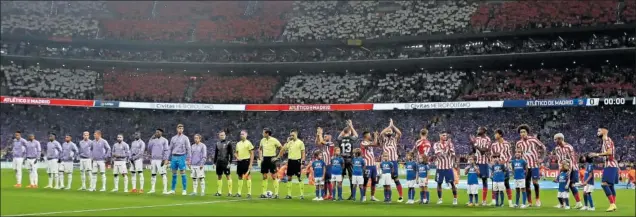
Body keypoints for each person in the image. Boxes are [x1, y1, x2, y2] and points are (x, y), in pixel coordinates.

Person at [515, 124, 546, 207]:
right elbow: (518, 154)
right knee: (526, 184)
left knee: (535, 182)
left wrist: (542, 158)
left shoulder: (533, 139)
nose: (522, 133)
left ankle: (537, 199)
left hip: (534, 165)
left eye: (524, 132)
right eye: (521, 132)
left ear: (527, 132)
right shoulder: (518, 143)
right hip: (525, 167)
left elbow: (543, 147)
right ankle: (529, 202)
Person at [589, 126, 618, 212]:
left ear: (605, 131)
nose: (597, 132)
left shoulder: (607, 140)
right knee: (611, 186)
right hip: (611, 165)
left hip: (610, 164)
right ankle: (613, 205)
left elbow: (609, 152)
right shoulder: (605, 141)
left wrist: (596, 154)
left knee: (604, 184)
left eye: (599, 130)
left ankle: (612, 204)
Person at [553, 133, 582, 208]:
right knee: (562, 185)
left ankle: (578, 203)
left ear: (561, 139)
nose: (555, 141)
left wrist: (570, 170)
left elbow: (572, 160)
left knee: (572, 185)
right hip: (563, 170)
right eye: (555, 139)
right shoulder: (557, 149)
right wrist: (559, 173)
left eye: (556, 139)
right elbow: (559, 161)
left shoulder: (569, 147)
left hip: (573, 168)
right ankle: (562, 204)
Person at [380, 118, 403, 202]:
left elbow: (399, 133)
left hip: (393, 161)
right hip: (385, 162)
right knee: (385, 181)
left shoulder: (394, 139)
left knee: (396, 179)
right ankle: (387, 197)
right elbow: (381, 133)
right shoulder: (384, 140)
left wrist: (392, 126)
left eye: (390, 131)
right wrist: (389, 126)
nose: (389, 132)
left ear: (392, 132)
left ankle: (401, 196)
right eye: (387, 131)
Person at [278, 129, 306, 199]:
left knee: (299, 178)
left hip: (297, 161)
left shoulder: (300, 142)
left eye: (293, 135)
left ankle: (302, 195)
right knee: (289, 177)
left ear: (296, 134)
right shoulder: (289, 143)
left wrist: (303, 162)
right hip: (290, 161)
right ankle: (289, 194)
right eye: (290, 135)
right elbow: (283, 149)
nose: (291, 136)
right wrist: (286, 142)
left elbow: (303, 152)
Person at [470, 126, 492, 206]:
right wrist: (472, 143)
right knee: (472, 180)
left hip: (484, 163)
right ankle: (472, 201)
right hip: (476, 162)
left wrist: (475, 143)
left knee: (484, 181)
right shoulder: (477, 138)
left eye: (479, 129)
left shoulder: (488, 139)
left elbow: (483, 151)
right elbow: (474, 150)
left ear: (484, 131)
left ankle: (484, 200)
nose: (478, 130)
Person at [434, 132, 458, 205]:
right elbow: (439, 154)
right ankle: (440, 199)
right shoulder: (436, 144)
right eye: (443, 135)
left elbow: (453, 154)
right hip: (440, 167)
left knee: (452, 183)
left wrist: (449, 149)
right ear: (439, 135)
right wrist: (446, 147)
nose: (445, 136)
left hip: (448, 167)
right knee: (439, 183)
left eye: (446, 135)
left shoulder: (450, 144)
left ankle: (455, 199)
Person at [491, 129, 513, 207]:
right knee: (495, 184)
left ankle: (510, 202)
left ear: (500, 135)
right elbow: (492, 155)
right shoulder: (494, 145)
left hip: (504, 167)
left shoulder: (507, 144)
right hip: (496, 167)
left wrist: (505, 161)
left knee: (506, 184)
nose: (494, 135)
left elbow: (510, 155)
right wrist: (492, 163)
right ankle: (494, 201)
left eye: (495, 134)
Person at [337, 120, 358, 200]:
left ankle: (339, 196)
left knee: (340, 178)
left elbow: (340, 135)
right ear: (349, 132)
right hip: (350, 159)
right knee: (351, 178)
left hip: (342, 160)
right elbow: (356, 135)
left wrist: (346, 129)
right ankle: (353, 196)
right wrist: (351, 126)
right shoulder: (351, 138)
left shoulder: (340, 139)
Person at [258, 128, 282, 198]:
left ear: (267, 133)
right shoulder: (262, 140)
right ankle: (263, 193)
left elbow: (281, 148)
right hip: (265, 159)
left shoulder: (274, 140)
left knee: (274, 176)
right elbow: (260, 149)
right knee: (264, 176)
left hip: (272, 159)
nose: (262, 134)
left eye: (263, 133)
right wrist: (261, 157)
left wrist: (277, 157)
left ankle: (276, 194)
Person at [168, 124, 191, 195]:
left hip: (182, 156)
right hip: (174, 157)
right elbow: (170, 148)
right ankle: (172, 190)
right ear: (177, 129)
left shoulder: (185, 138)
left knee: (182, 173)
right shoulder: (173, 138)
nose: (180, 129)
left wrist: (188, 158)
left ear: (183, 129)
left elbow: (188, 148)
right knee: (174, 173)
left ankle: (184, 190)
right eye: (179, 128)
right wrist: (167, 158)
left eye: (181, 128)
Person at [147, 128, 170, 194]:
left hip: (160, 160)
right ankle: (152, 189)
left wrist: (165, 159)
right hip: (154, 159)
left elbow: (166, 150)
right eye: (156, 132)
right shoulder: (153, 140)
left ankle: (165, 190)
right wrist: (151, 139)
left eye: (158, 132)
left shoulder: (165, 140)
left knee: (163, 174)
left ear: (161, 133)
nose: (156, 133)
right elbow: (148, 148)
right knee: (153, 174)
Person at [315, 127, 334, 200]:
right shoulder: (324, 144)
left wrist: (320, 133)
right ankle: (325, 195)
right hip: (323, 165)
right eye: (324, 136)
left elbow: (322, 142)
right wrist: (317, 135)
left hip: (328, 164)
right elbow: (317, 142)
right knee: (324, 181)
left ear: (329, 137)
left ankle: (331, 195)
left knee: (328, 180)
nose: (324, 137)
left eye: (325, 136)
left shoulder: (331, 143)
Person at [235, 130, 255, 198]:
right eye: (241, 134)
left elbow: (252, 154)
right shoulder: (238, 143)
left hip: (246, 161)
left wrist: (250, 164)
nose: (241, 135)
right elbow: (236, 152)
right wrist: (237, 157)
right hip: (240, 162)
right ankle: (239, 193)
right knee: (239, 176)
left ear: (246, 135)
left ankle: (249, 193)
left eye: (243, 134)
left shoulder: (249, 143)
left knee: (247, 176)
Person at [361, 131, 379, 202]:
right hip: (367, 165)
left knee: (374, 181)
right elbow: (374, 144)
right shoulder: (363, 143)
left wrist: (376, 137)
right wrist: (375, 136)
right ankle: (364, 196)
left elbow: (376, 144)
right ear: (365, 136)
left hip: (373, 165)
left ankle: (372, 196)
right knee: (365, 181)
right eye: (369, 135)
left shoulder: (369, 143)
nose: (370, 136)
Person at [213, 130, 233, 197]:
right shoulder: (217, 143)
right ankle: (219, 192)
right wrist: (214, 163)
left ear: (225, 135)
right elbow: (216, 154)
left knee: (228, 176)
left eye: (223, 135)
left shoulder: (228, 143)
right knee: (219, 176)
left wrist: (230, 162)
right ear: (219, 136)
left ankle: (230, 192)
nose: (222, 136)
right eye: (221, 135)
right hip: (219, 162)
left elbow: (231, 154)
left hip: (226, 162)